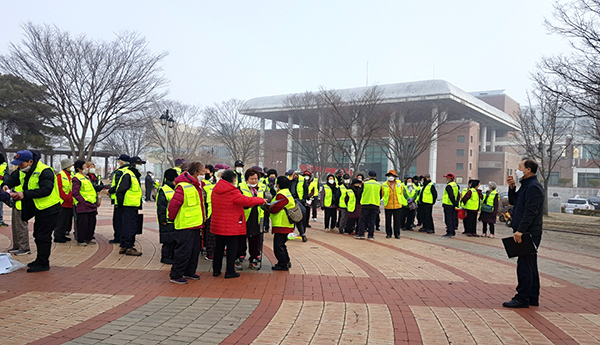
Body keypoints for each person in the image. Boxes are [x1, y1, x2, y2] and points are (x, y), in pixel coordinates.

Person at [3, 150, 61, 272]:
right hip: (38, 208)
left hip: (50, 208)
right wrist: (6, 184)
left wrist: (24, 194)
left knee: (43, 236)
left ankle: (43, 263)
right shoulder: (23, 170)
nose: (19, 167)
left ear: (30, 162)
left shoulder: (45, 171)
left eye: (22, 164)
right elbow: (12, 178)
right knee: (38, 235)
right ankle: (39, 260)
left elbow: (46, 190)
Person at [503, 158, 544, 308]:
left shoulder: (533, 187)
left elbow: (530, 212)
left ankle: (522, 297)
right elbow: (515, 202)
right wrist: (512, 187)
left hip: (528, 233)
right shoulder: (526, 186)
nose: (517, 170)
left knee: (525, 265)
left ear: (528, 170)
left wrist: (520, 230)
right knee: (530, 265)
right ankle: (532, 297)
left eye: (520, 167)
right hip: (525, 231)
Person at [211, 170, 265, 278]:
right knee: (232, 249)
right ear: (232, 180)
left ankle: (216, 270)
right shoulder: (232, 191)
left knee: (218, 248)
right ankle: (230, 271)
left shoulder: (215, 190)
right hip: (231, 226)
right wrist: (261, 200)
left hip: (218, 224)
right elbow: (247, 201)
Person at [166, 162, 206, 284]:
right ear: (195, 173)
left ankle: (189, 271)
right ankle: (176, 275)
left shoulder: (197, 186)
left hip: (196, 223)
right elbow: (174, 205)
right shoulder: (183, 186)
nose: (204, 175)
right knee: (184, 251)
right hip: (185, 224)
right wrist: (171, 219)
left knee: (194, 250)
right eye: (203, 173)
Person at [237, 169, 269, 269]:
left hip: (257, 217)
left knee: (255, 239)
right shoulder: (241, 187)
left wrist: (266, 201)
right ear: (247, 179)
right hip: (244, 216)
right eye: (251, 179)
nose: (254, 181)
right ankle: (239, 257)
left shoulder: (263, 187)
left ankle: (254, 259)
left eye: (256, 179)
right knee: (241, 239)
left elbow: (269, 197)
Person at [115, 156, 144, 256]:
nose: (140, 167)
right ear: (134, 165)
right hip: (128, 206)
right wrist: (121, 205)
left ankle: (124, 246)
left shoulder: (134, 175)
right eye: (139, 165)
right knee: (130, 227)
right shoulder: (128, 175)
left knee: (126, 226)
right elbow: (120, 191)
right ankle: (129, 247)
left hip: (132, 205)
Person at [268, 176, 295, 271]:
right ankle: (286, 261)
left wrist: (268, 208)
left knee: (278, 246)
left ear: (278, 185)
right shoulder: (287, 193)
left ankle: (282, 264)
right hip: (286, 223)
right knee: (282, 245)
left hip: (282, 223)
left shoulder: (281, 195)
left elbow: (275, 209)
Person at [72, 160, 99, 246]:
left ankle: (88, 238)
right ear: (79, 169)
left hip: (91, 204)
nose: (87, 169)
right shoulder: (76, 178)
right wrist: (82, 201)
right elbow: (75, 192)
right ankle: (81, 240)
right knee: (83, 224)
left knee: (91, 223)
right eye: (84, 167)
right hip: (83, 206)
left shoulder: (86, 177)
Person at [6, 167, 31, 256]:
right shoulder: (17, 173)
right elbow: (10, 181)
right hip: (16, 202)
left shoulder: (27, 173)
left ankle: (24, 247)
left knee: (21, 226)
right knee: (15, 226)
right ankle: (16, 245)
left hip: (22, 202)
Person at [157, 168, 178, 264]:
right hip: (166, 220)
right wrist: (163, 219)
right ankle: (165, 257)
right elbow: (161, 206)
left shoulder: (173, 188)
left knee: (173, 239)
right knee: (167, 241)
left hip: (173, 219)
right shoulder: (164, 190)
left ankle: (172, 256)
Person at [108, 154, 130, 244]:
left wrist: (109, 191)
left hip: (119, 199)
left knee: (117, 220)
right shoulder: (130, 171)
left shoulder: (120, 171)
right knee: (125, 220)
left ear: (121, 162)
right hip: (128, 200)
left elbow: (117, 186)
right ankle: (124, 236)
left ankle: (118, 237)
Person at [356, 171, 381, 240]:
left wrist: (360, 200)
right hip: (375, 204)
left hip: (365, 204)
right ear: (375, 177)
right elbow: (381, 194)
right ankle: (371, 235)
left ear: (369, 176)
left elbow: (360, 193)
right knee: (372, 221)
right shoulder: (379, 185)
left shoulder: (365, 184)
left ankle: (361, 234)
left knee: (363, 220)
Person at [54, 159, 74, 242]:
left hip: (70, 202)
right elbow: (59, 189)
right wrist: (66, 198)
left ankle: (63, 234)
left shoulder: (71, 175)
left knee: (66, 220)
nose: (72, 167)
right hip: (63, 202)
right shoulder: (60, 175)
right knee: (61, 221)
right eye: (70, 166)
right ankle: (58, 236)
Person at [287, 169, 307, 241]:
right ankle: (291, 233)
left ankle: (302, 233)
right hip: (290, 200)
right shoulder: (288, 180)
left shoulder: (302, 179)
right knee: (291, 217)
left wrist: (304, 199)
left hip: (299, 200)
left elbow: (305, 189)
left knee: (299, 217)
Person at [382, 170, 402, 239]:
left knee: (397, 221)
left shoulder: (399, 184)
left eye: (392, 176)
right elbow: (382, 194)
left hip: (397, 205)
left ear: (395, 176)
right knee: (388, 221)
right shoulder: (384, 184)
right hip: (388, 205)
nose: (391, 177)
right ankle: (388, 234)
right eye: (389, 176)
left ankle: (397, 234)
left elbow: (401, 193)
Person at [202, 165, 217, 261]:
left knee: (215, 234)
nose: (204, 174)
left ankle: (215, 250)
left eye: (206, 172)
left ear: (212, 173)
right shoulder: (203, 183)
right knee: (209, 234)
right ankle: (209, 252)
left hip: (217, 211)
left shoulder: (216, 182)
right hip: (208, 213)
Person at [442, 173, 460, 238]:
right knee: (452, 218)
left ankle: (449, 232)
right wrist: (456, 203)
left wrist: (453, 202)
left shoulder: (449, 186)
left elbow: (451, 195)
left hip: (448, 204)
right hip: (452, 205)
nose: (446, 179)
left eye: (447, 178)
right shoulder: (455, 185)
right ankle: (452, 232)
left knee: (448, 219)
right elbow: (457, 195)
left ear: (450, 179)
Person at [0, 153, 9, 227]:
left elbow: (7, 175)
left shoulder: (4, 164)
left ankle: (0, 220)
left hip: (1, 186)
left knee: (0, 205)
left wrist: (3, 178)